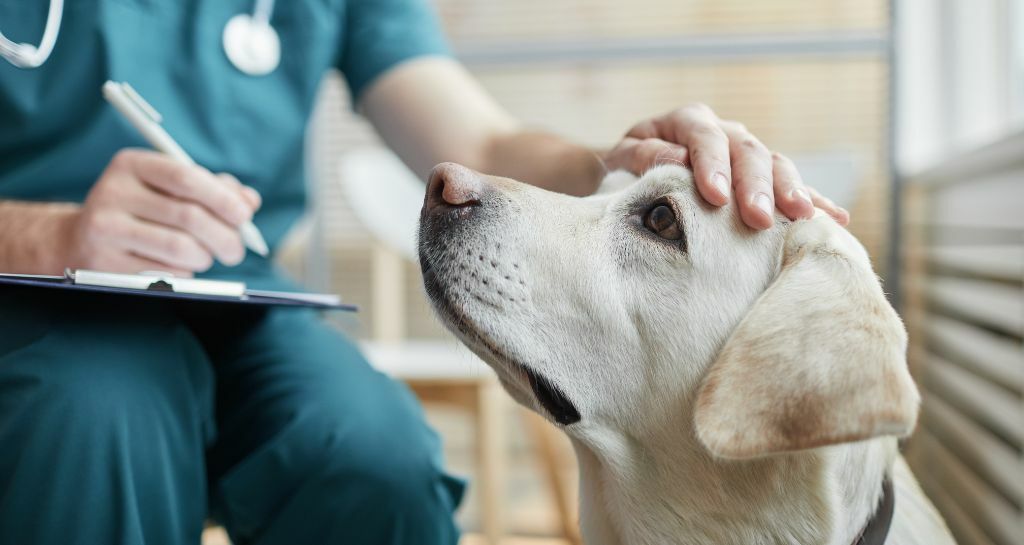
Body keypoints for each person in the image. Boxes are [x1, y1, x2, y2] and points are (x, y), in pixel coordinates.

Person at [0, 1, 849, 544]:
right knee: (93, 420)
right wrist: (49, 233)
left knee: (376, 455)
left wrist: (614, 166)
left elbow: (476, 144)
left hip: (237, 293)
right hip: (26, 300)